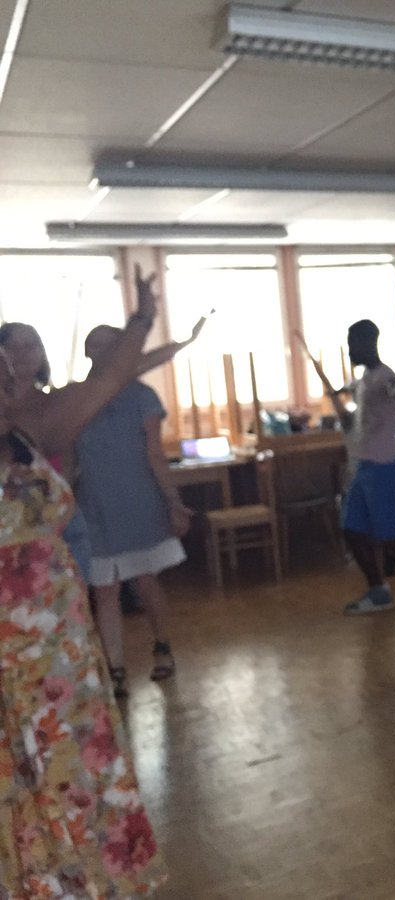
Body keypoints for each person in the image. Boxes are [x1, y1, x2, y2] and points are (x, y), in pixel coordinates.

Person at [0, 265, 167, 895]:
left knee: (74, 771)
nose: (5, 386)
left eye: (6, 377)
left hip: (61, 657)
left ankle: (90, 883)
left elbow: (111, 377)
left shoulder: (33, 434)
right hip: (5, 662)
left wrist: (143, 317)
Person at [0, 315, 207, 579]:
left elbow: (120, 373)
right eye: (12, 346)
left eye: (31, 346)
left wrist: (180, 341)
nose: (22, 354)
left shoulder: (59, 403)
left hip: (56, 522)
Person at [295, 322, 395, 619]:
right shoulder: (364, 379)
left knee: (392, 539)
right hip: (363, 469)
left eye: (352, 342)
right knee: (352, 530)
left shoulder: (384, 377)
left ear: (367, 343)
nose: (350, 349)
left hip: (384, 469)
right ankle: (378, 591)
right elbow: (349, 410)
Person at [74, 325, 195, 700]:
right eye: (96, 345)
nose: (103, 351)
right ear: (87, 353)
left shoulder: (143, 395)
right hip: (94, 505)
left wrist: (173, 502)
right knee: (105, 589)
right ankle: (116, 669)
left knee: (145, 582)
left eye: (111, 345)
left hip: (138, 502)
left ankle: (162, 647)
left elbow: (155, 455)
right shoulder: (77, 398)